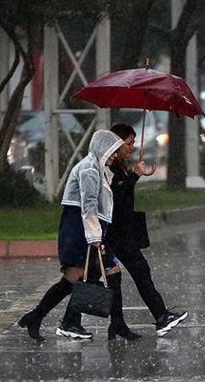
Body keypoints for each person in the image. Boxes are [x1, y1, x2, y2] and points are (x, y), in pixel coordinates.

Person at [18, 129, 125, 341]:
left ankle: (62, 320)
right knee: (74, 278)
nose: (115, 156)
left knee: (88, 276)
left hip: (85, 229)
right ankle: (48, 318)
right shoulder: (89, 170)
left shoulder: (98, 169)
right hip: (80, 230)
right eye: (113, 151)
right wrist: (96, 239)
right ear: (102, 149)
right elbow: (89, 206)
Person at [106, 123, 188, 337]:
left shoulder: (120, 165)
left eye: (134, 142)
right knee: (87, 278)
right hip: (115, 233)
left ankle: (126, 323)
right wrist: (133, 176)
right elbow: (116, 199)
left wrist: (133, 174)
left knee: (130, 275)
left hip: (122, 232)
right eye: (129, 142)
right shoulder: (111, 167)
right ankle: (159, 317)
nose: (132, 147)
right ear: (116, 142)